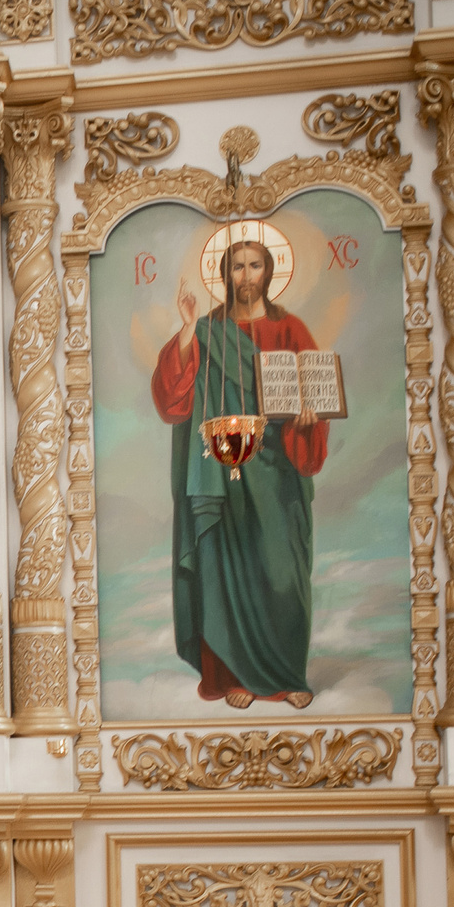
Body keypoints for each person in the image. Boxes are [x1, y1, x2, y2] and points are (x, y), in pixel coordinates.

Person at [147, 236, 328, 710]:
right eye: (237, 268)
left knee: (283, 574)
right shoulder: (206, 330)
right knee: (226, 572)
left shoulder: (290, 330)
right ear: (225, 276)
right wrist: (187, 328)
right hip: (223, 470)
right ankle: (235, 677)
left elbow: (316, 389)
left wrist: (310, 419)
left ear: (269, 272)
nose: (246, 276)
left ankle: (288, 676)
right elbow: (173, 399)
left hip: (278, 469)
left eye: (254, 266)